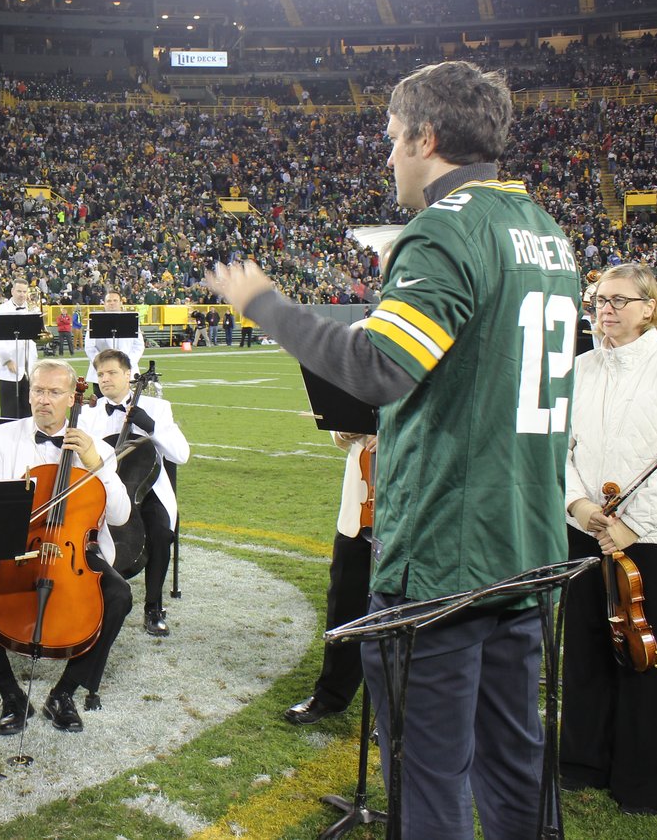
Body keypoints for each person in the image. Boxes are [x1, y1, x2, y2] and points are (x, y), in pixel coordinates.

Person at [206, 61, 581, 840]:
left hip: (447, 554)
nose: (386, 157)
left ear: (426, 137)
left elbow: (379, 367)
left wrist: (265, 305)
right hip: (526, 542)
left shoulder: (447, 227)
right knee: (516, 768)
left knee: (427, 771)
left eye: (390, 138)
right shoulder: (545, 230)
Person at [0, 359, 132, 734]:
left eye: (54, 393)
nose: (44, 400)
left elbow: (118, 515)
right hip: (15, 544)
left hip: (74, 550)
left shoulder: (97, 447)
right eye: (38, 391)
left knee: (119, 595)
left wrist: (95, 464)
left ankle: (65, 692)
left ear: (72, 398)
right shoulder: (2, 437)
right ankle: (9, 691)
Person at [560, 263, 657, 815]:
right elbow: (562, 447)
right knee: (586, 651)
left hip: (652, 539)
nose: (606, 308)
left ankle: (641, 778)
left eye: (620, 300)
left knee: (645, 659)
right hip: (586, 531)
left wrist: (633, 523)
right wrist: (578, 504)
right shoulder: (579, 368)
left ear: (650, 307)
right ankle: (581, 761)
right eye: (599, 299)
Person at [83, 349, 190, 636]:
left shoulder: (157, 407)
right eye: (101, 374)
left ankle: (153, 607)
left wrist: (151, 427)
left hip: (147, 487)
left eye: (112, 373)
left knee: (160, 534)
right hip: (104, 489)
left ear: (129, 375)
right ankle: (93, 601)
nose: (105, 379)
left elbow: (181, 455)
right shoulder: (88, 412)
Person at [285, 429, 375, 724]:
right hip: (357, 516)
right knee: (344, 606)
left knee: (402, 613)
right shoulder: (371, 380)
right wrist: (345, 429)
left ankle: (393, 711)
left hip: (408, 518)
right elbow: (343, 437)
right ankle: (331, 694)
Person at [0, 279, 38, 418]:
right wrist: (7, 360)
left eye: (24, 291)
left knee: (28, 412)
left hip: (29, 369)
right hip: (9, 369)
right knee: (9, 411)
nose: (22, 294)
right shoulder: (0, 310)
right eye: (19, 291)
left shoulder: (32, 310)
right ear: (12, 291)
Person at [84, 291, 144, 387]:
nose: (112, 303)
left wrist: (127, 363)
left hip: (127, 372)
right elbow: (89, 346)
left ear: (121, 303)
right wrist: (101, 363)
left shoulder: (131, 320)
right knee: (101, 401)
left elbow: (138, 345)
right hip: (101, 371)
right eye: (109, 301)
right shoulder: (94, 320)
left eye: (115, 300)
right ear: (104, 304)